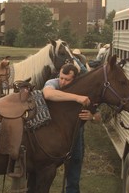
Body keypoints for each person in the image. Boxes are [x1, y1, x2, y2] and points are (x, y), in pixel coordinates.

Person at [43, 63, 101, 193]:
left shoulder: (83, 88)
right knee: (46, 164)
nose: (62, 82)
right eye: (61, 77)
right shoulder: (53, 83)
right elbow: (47, 94)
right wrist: (77, 98)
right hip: (53, 131)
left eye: (67, 79)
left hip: (75, 133)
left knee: (75, 162)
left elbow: (98, 116)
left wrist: (92, 117)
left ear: (75, 79)